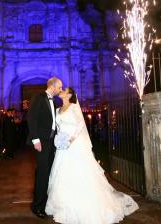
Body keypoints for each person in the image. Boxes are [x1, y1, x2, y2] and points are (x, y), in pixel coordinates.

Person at [45, 87, 138, 223]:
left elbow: (80, 126)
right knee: (62, 172)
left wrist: (71, 139)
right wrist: (59, 139)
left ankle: (84, 202)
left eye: (64, 90)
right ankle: (64, 203)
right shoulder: (58, 109)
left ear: (69, 94)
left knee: (79, 171)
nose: (61, 91)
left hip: (74, 144)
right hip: (62, 146)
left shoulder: (73, 107)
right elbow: (58, 127)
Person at [27, 77, 63, 219]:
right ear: (52, 86)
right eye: (59, 87)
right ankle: (37, 206)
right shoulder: (39, 97)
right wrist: (35, 139)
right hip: (41, 141)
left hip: (50, 142)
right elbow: (31, 118)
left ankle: (44, 202)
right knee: (42, 173)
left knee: (47, 172)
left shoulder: (53, 101)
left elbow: (53, 122)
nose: (60, 90)